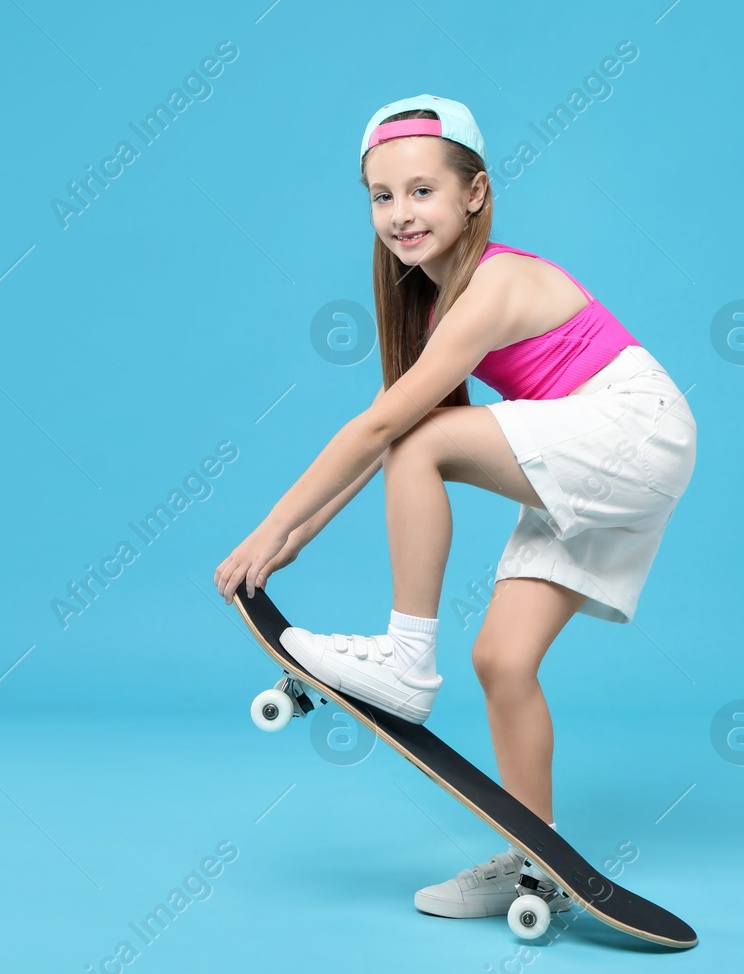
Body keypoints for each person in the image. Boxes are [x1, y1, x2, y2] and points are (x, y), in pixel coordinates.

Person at [212, 94, 697, 920]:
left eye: (423, 191)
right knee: (503, 660)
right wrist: (299, 535)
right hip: (592, 445)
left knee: (426, 437)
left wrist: (268, 527)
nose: (401, 214)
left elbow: (391, 429)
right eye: (382, 196)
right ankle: (535, 861)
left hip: (628, 426)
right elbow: (384, 434)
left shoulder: (497, 282)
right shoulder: (436, 304)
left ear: (474, 194)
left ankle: (405, 659)